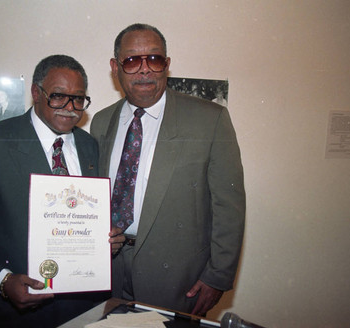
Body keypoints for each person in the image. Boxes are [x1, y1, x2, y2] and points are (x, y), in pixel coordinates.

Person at [0, 54, 124, 327]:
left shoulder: (89, 145)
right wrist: (3, 281)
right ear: (35, 93)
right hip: (15, 312)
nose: (70, 107)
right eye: (58, 96)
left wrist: (106, 240)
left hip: (83, 309)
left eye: (78, 99)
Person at [90, 23, 246, 317]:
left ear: (167, 65)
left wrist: (217, 276)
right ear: (116, 67)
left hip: (177, 279)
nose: (145, 69)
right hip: (108, 272)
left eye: (155, 59)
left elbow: (230, 206)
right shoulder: (101, 122)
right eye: (133, 60)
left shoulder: (209, 120)